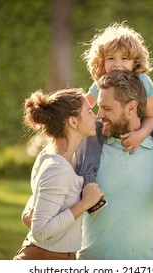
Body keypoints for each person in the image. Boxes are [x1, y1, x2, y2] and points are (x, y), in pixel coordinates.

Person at [76, 70, 153, 260]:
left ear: (131, 108)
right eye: (99, 107)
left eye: (107, 108)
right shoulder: (87, 151)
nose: (99, 115)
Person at [81, 22, 153, 218]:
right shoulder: (103, 83)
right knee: (92, 130)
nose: (117, 64)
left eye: (124, 58)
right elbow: (85, 104)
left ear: (135, 61)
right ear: (101, 61)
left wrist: (139, 135)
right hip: (112, 126)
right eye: (110, 58)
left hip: (149, 127)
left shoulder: (143, 81)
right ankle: (88, 186)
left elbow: (150, 117)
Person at [13, 88, 104, 260]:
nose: (96, 117)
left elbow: (33, 210)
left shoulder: (53, 156)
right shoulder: (57, 168)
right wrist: (85, 204)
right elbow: (40, 231)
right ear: (73, 122)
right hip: (44, 258)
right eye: (90, 111)